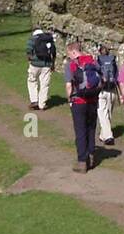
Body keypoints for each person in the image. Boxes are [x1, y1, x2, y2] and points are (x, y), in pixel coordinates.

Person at [64, 42, 103, 172]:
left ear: (74, 52)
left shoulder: (71, 65)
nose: (69, 56)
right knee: (91, 128)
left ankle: (82, 162)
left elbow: (69, 85)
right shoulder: (93, 62)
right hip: (93, 100)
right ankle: (91, 157)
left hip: (79, 101)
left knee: (80, 130)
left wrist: (69, 99)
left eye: (69, 54)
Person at [26, 28, 56, 110]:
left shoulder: (32, 39)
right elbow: (53, 52)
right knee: (44, 84)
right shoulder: (49, 39)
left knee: (32, 81)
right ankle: (42, 104)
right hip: (47, 64)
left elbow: (28, 51)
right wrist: (52, 64)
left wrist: (30, 60)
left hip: (35, 64)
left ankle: (34, 100)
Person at [95, 44, 119, 146]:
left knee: (102, 114)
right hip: (112, 90)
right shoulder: (113, 61)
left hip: (102, 90)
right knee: (108, 113)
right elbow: (117, 76)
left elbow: (95, 75)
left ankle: (108, 136)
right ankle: (103, 135)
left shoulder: (97, 62)